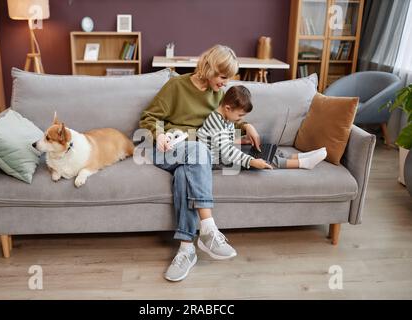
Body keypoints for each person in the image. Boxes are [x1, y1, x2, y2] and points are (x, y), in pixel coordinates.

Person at [139, 45, 262, 282]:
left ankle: (187, 249)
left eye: (229, 79)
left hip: (195, 156)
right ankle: (208, 229)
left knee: (188, 171)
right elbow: (149, 117)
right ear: (210, 68)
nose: (225, 84)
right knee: (198, 150)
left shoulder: (218, 94)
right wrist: (160, 134)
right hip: (167, 148)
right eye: (223, 77)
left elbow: (227, 118)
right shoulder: (176, 86)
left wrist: (247, 125)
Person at [197, 85, 328, 170]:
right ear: (227, 108)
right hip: (216, 160)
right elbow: (227, 151)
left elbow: (222, 141)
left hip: (222, 152)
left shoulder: (227, 117)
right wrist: (252, 162)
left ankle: (300, 156)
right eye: (240, 115)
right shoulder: (215, 121)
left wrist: (242, 140)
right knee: (262, 160)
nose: (240, 119)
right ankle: (303, 164)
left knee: (263, 149)